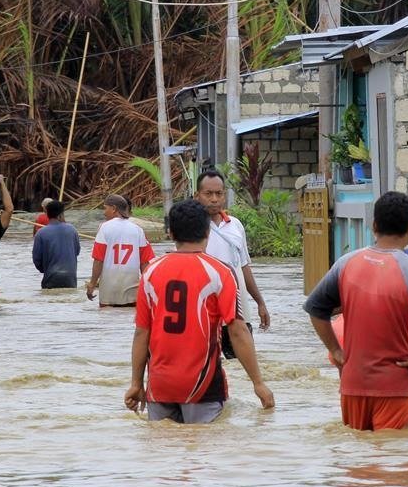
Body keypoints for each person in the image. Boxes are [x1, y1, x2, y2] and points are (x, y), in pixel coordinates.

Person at [124, 199, 275, 423]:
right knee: (204, 452)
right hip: (203, 386)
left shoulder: (150, 272)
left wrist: (136, 384)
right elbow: (237, 331)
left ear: (171, 232)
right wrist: (258, 383)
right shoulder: (220, 272)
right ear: (207, 231)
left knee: (162, 452)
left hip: (159, 384)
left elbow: (141, 333)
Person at [304, 191, 408, 431]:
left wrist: (336, 351)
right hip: (395, 385)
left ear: (373, 225)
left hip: (352, 383)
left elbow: (315, 308)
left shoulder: (346, 264)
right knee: (390, 459)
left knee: (357, 460)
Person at [194, 171, 270, 359]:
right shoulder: (191, 227)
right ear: (197, 196)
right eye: (208, 194)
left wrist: (260, 302)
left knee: (240, 363)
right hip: (205, 312)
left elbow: (243, 267)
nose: (214, 199)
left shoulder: (235, 225)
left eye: (219, 194)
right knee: (207, 364)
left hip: (238, 310)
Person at [86, 194, 155, 307]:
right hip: (131, 288)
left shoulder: (104, 227)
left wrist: (92, 283)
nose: (104, 212)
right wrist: (149, 288)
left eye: (105, 208)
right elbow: (144, 263)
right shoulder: (138, 230)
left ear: (113, 209)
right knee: (128, 319)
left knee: (107, 319)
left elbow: (98, 260)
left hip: (109, 289)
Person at [32, 200, 80, 289]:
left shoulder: (40, 233)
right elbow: (76, 251)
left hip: (51, 277)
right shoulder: (72, 230)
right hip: (70, 277)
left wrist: (45, 269)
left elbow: (37, 259)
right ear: (60, 215)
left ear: (47, 214)